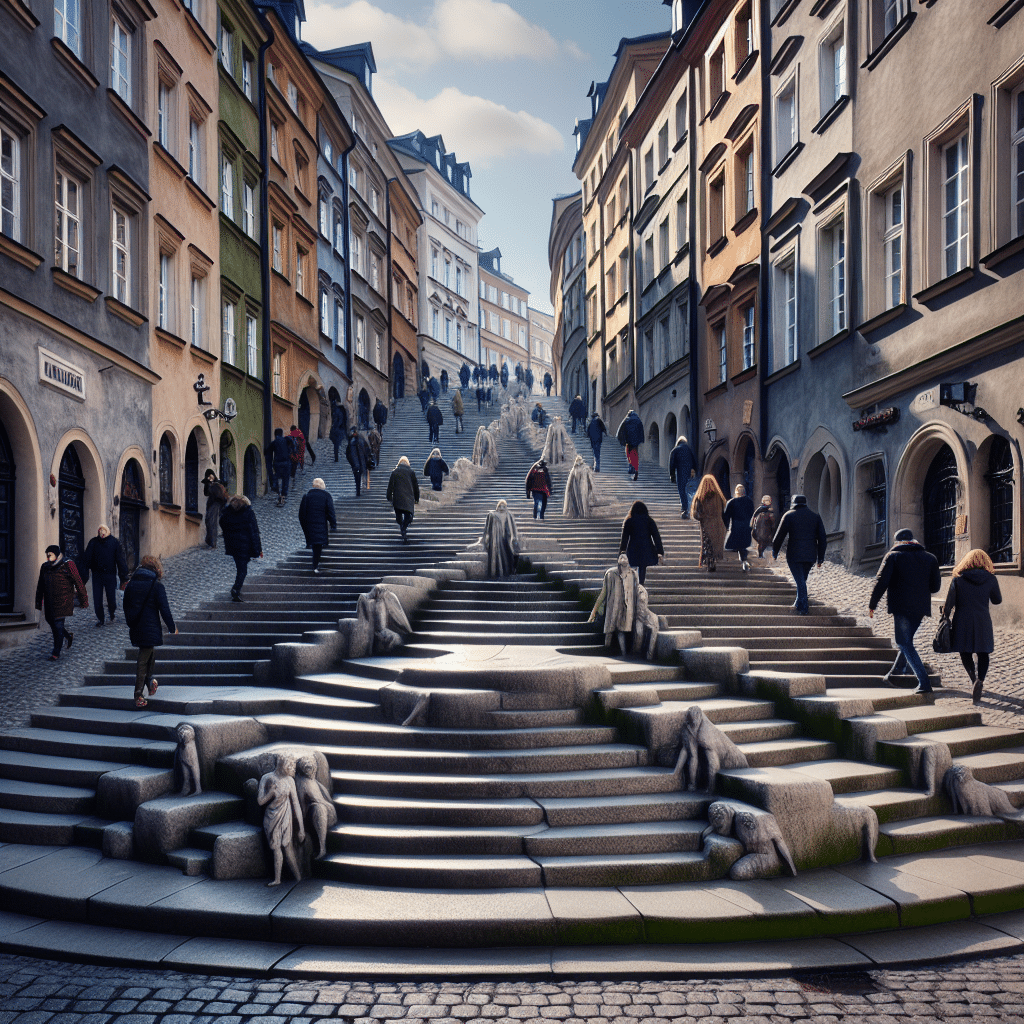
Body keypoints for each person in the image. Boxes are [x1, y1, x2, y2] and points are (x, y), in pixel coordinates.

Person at [868, 527, 942, 695]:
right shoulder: (930, 558)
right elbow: (935, 586)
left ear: (897, 541)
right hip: (921, 607)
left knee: (903, 642)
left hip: (901, 607)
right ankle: (895, 673)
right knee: (907, 641)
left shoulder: (893, 556)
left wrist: (873, 604)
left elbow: (881, 582)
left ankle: (924, 683)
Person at [943, 548, 1002, 704]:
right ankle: (980, 681)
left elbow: (949, 603)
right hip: (982, 619)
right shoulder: (990, 579)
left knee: (965, 651)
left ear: (966, 561)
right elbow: (997, 600)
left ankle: (973, 679)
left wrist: (944, 617)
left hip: (962, 619)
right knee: (983, 652)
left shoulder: (958, 579)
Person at [122, 554, 177, 708]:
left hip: (136, 624)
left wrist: (130, 620)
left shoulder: (132, 583)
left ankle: (149, 682)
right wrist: (172, 627)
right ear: (156, 568)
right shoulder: (156, 585)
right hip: (150, 626)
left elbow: (125, 603)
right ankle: (138, 694)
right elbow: (164, 608)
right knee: (143, 657)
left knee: (148, 652)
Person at [773, 495, 828, 615]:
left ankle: (804, 607)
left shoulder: (789, 515)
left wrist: (775, 551)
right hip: (810, 555)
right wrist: (820, 557)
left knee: (800, 581)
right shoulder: (815, 517)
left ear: (793, 503)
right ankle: (798, 602)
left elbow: (779, 536)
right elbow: (822, 539)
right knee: (802, 579)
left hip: (794, 554)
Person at [34, 544, 88, 661]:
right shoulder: (45, 567)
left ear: (57, 555)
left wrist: (83, 600)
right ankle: (68, 636)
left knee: (58, 625)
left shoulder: (68, 564)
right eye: (47, 555)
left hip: (64, 599)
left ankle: (56, 653)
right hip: (49, 600)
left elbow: (78, 582)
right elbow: (40, 585)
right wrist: (38, 602)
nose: (48, 558)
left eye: (50, 555)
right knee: (50, 620)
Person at [588, 553, 642, 656]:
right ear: (618, 561)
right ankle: (606, 650)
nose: (622, 558)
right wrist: (594, 612)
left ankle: (623, 653)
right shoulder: (610, 574)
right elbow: (603, 593)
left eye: (625, 557)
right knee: (609, 631)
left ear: (628, 560)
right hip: (613, 608)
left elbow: (638, 591)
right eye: (620, 557)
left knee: (621, 631)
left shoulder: (633, 574)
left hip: (626, 608)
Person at [81, 524, 129, 625]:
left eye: (104, 531)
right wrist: (83, 576)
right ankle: (101, 619)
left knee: (111, 597)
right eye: (100, 531)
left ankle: (112, 613)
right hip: (97, 575)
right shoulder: (93, 542)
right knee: (97, 599)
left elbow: (120, 560)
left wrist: (124, 576)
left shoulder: (114, 542)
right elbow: (86, 559)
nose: (102, 533)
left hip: (110, 575)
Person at [220, 494, 263, 602]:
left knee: (241, 567)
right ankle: (236, 589)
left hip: (232, 545)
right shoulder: (248, 512)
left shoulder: (227, 512)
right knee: (242, 570)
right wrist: (258, 548)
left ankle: (236, 588)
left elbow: (222, 523)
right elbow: (254, 531)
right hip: (245, 545)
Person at [619, 500, 664, 586]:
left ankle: (635, 583)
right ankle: (641, 583)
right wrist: (660, 551)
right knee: (643, 566)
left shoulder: (629, 522)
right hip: (647, 550)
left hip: (633, 550)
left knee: (635, 566)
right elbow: (656, 537)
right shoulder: (650, 521)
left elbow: (624, 539)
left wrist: (621, 552)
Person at [298, 477, 336, 574]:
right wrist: (333, 524)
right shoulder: (326, 496)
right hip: (321, 525)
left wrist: (304, 525)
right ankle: (315, 565)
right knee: (318, 545)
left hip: (309, 525)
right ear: (322, 485)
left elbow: (301, 514)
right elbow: (330, 511)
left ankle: (315, 564)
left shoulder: (306, 496)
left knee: (314, 544)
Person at [691, 475, 727, 573]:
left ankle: (709, 562)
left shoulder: (700, 497)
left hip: (706, 524)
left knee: (707, 543)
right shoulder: (719, 496)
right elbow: (724, 510)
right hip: (718, 524)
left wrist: (702, 517)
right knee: (715, 544)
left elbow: (695, 513)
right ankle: (713, 561)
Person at [483, 499, 520, 577]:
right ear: (497, 506)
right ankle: (501, 571)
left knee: (510, 553)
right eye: (500, 506)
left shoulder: (508, 515)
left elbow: (513, 527)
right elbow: (488, 529)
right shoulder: (492, 515)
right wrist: (486, 539)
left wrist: (514, 537)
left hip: (507, 538)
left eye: (503, 506)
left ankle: (510, 571)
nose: (502, 508)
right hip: (497, 539)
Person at [386, 455, 420, 542]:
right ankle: (404, 527)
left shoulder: (395, 472)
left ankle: (402, 527)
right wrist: (417, 498)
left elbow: (390, 486)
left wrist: (389, 496)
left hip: (398, 498)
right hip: (408, 498)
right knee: (409, 515)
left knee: (399, 516)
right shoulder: (411, 472)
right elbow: (415, 486)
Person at [723, 485, 755, 572]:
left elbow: (726, 516)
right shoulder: (749, 501)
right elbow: (752, 513)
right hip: (746, 527)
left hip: (736, 527)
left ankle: (744, 562)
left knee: (738, 545)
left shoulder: (732, 502)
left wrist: (725, 526)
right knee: (742, 546)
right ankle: (744, 562)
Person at [668, 435, 698, 519]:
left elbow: (671, 464)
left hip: (680, 473)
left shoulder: (675, 450)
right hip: (690, 474)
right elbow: (694, 461)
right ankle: (691, 508)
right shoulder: (689, 449)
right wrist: (695, 471)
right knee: (690, 491)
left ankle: (685, 509)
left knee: (682, 491)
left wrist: (672, 476)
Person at [202, 471, 229, 549]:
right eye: (208, 477)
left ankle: (212, 543)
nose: (210, 478)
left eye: (211, 477)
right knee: (209, 522)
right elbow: (206, 493)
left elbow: (219, 497)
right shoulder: (209, 485)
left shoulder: (216, 485)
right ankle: (210, 541)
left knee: (212, 523)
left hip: (215, 505)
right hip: (212, 505)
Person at [616, 409, 644, 480]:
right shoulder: (638, 420)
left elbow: (620, 430)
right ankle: (636, 469)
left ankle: (631, 466)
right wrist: (641, 440)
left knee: (629, 454)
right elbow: (641, 430)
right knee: (635, 454)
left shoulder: (627, 420)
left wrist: (621, 439)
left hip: (628, 441)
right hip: (636, 441)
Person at [267, 427, 293, 506]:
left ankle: (278, 494)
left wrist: (270, 467)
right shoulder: (286, 440)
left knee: (276, 479)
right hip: (286, 463)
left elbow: (268, 454)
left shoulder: (274, 442)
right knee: (286, 480)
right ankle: (283, 496)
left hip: (277, 464)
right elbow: (291, 449)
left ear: (275, 434)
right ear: (281, 433)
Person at [345, 427, 372, 497]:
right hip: (357, 462)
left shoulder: (359, 440)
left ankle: (361, 489)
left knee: (359, 476)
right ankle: (359, 490)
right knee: (358, 476)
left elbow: (367, 449)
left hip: (359, 462)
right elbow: (348, 454)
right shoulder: (353, 441)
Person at [329, 398, 348, 462]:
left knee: (336, 445)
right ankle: (336, 457)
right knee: (336, 445)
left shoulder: (336, 411)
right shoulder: (339, 411)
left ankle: (336, 457)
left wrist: (335, 426)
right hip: (339, 429)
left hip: (338, 430)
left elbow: (339, 421)